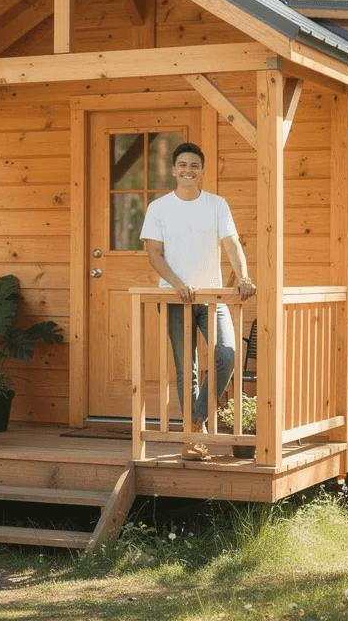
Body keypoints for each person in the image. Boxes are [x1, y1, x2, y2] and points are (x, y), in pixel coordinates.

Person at [140, 142, 256, 460]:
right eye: (182, 164)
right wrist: (178, 284)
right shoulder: (159, 208)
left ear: (202, 171)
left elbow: (232, 245)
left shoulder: (216, 205)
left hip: (212, 299)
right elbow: (153, 252)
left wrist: (243, 277)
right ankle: (194, 440)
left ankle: (194, 421)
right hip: (177, 298)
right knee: (185, 370)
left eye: (194, 165)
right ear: (174, 170)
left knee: (227, 356)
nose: (188, 169)